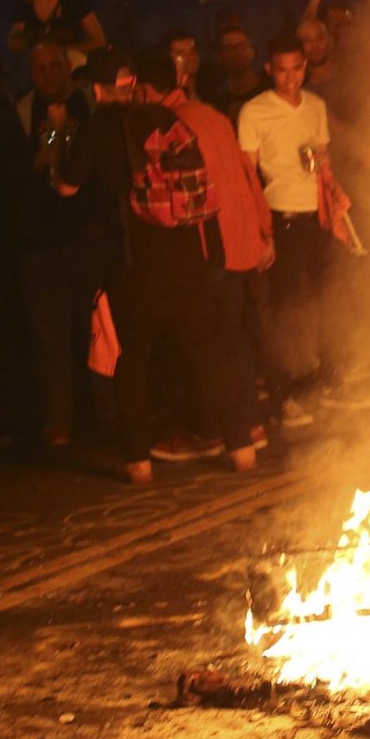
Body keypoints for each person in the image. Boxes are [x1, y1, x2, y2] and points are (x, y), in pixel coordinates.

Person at [56, 49, 259, 481]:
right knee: (209, 354)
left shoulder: (97, 129)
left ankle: (139, 463)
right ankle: (242, 448)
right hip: (188, 261)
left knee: (131, 363)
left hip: (133, 267)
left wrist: (59, 136)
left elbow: (66, 187)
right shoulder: (169, 121)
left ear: (97, 89)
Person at [144, 53, 274, 458]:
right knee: (232, 338)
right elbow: (246, 174)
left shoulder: (169, 124)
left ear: (147, 91)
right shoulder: (212, 115)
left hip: (206, 246)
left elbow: (180, 195)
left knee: (202, 344)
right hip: (238, 243)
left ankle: (212, 431)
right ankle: (249, 426)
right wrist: (262, 230)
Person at [238, 38, 334, 432]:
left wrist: (335, 204)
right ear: (269, 70)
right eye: (282, 69)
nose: (291, 77)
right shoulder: (255, 111)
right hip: (282, 216)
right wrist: (262, 232)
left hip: (318, 217)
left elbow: (324, 160)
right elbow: (247, 174)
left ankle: (321, 382)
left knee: (325, 302)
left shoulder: (315, 105)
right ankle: (282, 395)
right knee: (283, 310)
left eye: (297, 68)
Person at [10, 42, 98, 445]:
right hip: (41, 239)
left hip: (86, 234)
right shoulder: (23, 110)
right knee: (50, 336)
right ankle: (60, 416)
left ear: (68, 67)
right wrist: (53, 137)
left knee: (98, 328)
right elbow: (34, 167)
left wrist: (65, 132)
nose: (47, 74)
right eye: (38, 67)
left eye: (54, 65)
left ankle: (110, 412)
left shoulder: (89, 102)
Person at [200, 18, 268, 114]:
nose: (237, 52)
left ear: (252, 51)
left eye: (242, 46)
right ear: (219, 57)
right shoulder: (218, 99)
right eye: (230, 48)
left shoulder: (270, 88)